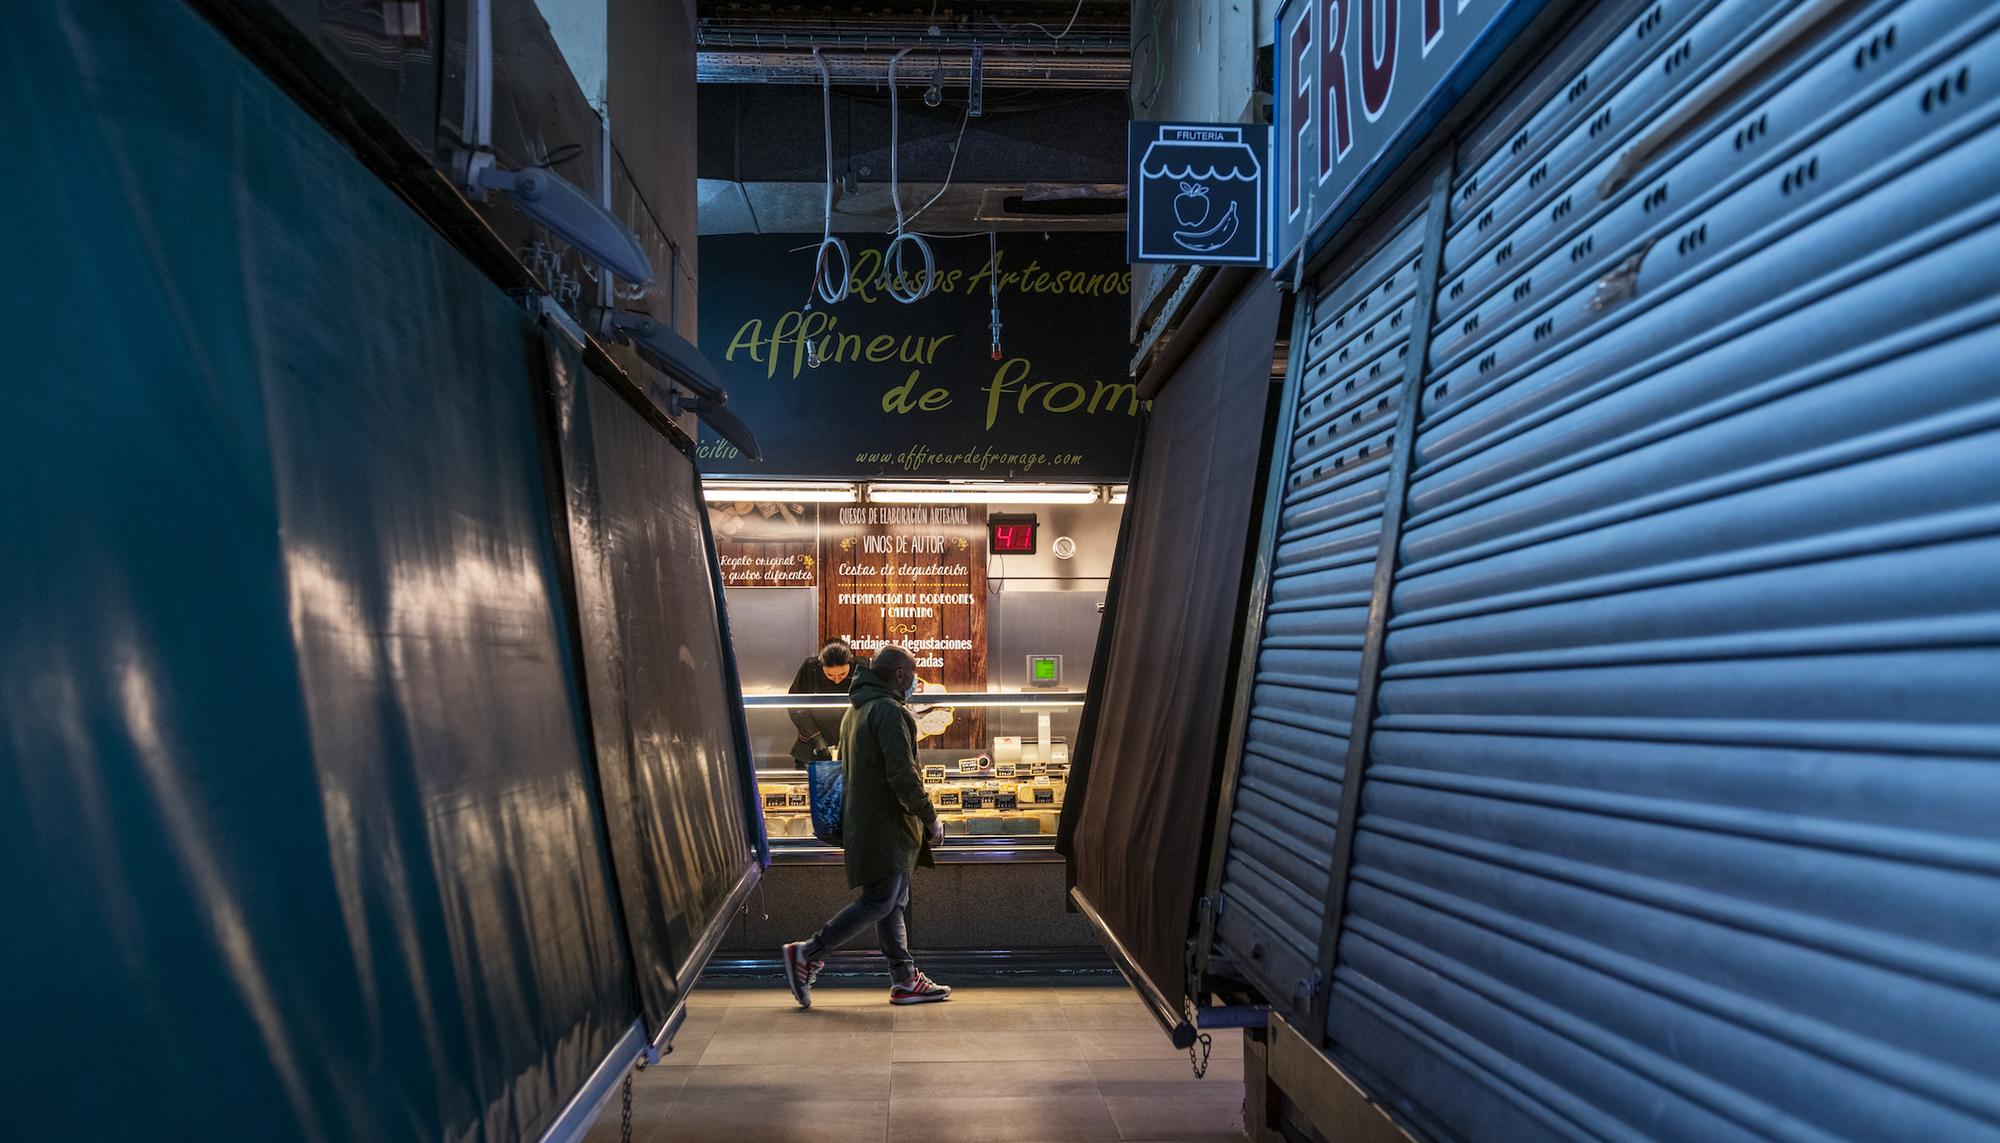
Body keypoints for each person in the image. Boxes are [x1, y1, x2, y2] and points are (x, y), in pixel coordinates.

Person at [782, 646, 952, 1007]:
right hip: (885, 824)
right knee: (880, 901)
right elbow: (902, 774)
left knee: (892, 901)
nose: (915, 682)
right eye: (913, 675)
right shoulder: (888, 711)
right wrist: (929, 816)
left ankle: (904, 979)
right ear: (902, 676)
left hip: (870, 821)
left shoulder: (856, 708)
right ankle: (809, 951)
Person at [787, 639, 867, 766]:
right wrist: (817, 738)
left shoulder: (862, 668)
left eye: (842, 675)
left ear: (850, 662)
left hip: (855, 746)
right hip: (813, 746)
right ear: (821, 663)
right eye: (830, 675)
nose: (836, 680)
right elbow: (795, 706)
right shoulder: (810, 668)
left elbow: (869, 707)